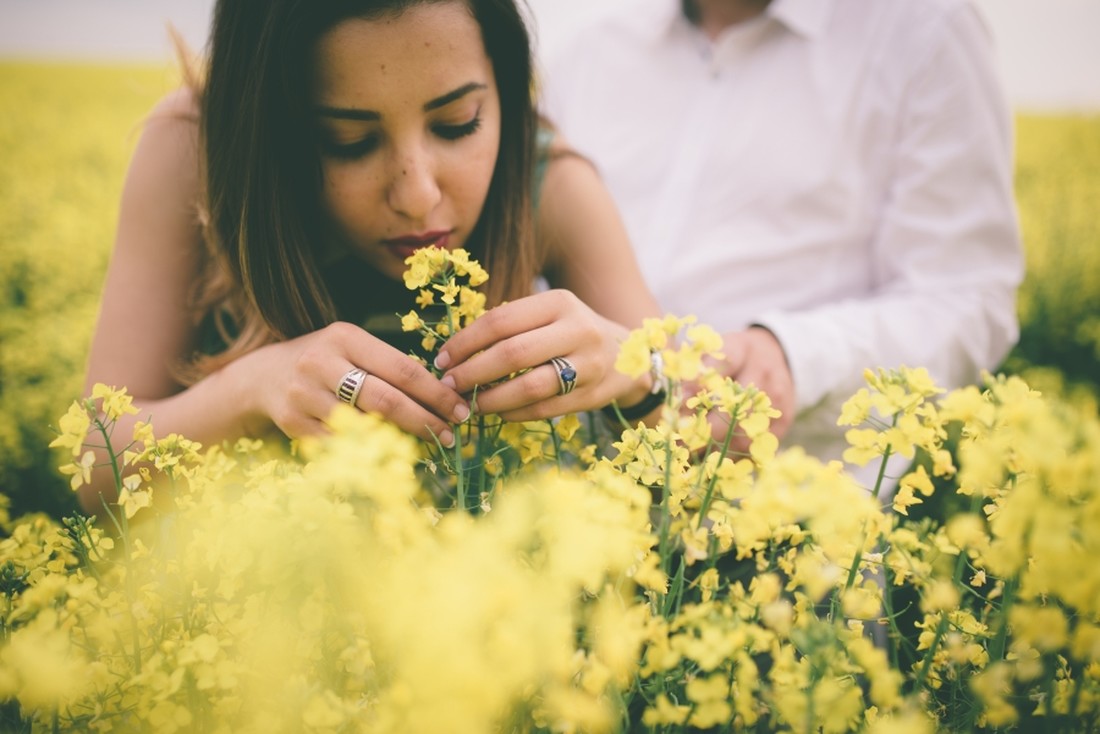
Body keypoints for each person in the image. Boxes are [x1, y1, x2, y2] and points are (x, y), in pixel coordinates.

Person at [80, 0, 664, 514]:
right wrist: (250, 389)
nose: (417, 196)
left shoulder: (550, 185)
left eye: (457, 124)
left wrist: (640, 373)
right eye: (349, 142)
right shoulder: (192, 154)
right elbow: (94, 472)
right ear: (267, 128)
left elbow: (698, 448)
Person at [539, 0, 1024, 489]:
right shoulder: (588, 48)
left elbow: (966, 297)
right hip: (558, 497)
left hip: (785, 513)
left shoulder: (925, 31)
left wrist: (795, 356)